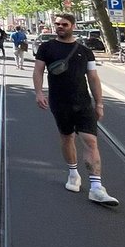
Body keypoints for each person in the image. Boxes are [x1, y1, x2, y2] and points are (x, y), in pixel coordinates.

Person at [33, 12, 118, 206]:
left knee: (90, 141)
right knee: (67, 137)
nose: (60, 27)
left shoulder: (85, 51)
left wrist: (99, 103)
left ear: (72, 26)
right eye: (57, 24)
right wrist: (39, 93)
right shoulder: (47, 48)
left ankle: (96, 188)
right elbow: (38, 70)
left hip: (83, 102)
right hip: (59, 101)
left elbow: (93, 78)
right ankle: (73, 173)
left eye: (64, 24)